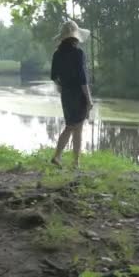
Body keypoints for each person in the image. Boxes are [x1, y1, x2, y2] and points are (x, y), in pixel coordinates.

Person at [50, 20, 93, 169]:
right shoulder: (78, 53)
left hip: (66, 94)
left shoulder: (57, 54)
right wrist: (89, 99)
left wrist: (63, 88)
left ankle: (66, 159)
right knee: (75, 127)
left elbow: (54, 77)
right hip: (78, 94)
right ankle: (69, 160)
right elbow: (82, 79)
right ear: (75, 37)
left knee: (71, 125)